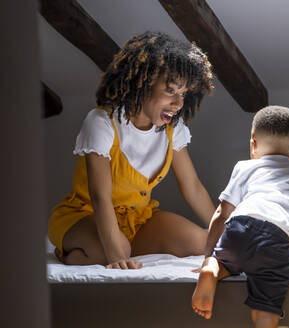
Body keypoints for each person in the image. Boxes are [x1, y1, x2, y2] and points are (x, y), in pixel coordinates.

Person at [48, 31, 216, 270]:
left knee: (204, 243)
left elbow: (193, 187)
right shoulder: (102, 122)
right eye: (171, 91)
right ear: (144, 83)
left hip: (138, 219)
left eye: (183, 94)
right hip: (84, 215)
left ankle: (123, 243)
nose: (178, 104)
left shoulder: (172, 129)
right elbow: (99, 196)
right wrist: (117, 255)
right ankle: (71, 251)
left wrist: (223, 229)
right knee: (119, 250)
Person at [191, 105, 289, 328]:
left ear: (253, 143)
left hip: (239, 227)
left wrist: (208, 253)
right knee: (266, 305)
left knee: (229, 260)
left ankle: (212, 268)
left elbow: (221, 214)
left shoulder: (244, 167)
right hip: (277, 241)